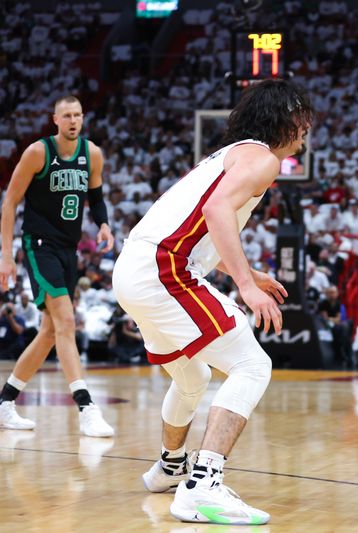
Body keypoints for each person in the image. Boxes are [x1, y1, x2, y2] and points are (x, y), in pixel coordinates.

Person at [113, 79, 313, 525]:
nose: (307, 129)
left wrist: (245, 270)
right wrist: (245, 285)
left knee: (193, 375)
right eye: (303, 118)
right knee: (253, 365)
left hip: (135, 267)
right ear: (289, 118)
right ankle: (202, 486)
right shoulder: (262, 159)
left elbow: (199, 224)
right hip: (163, 269)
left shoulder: (234, 152)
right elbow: (216, 212)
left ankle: (170, 466)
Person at [0, 95, 114, 437]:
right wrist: (6, 255)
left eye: (78, 114)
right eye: (66, 115)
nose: (73, 120)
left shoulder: (92, 153)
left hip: (69, 249)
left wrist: (104, 224)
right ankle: (87, 408)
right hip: (39, 246)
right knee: (65, 322)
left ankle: (5, 403)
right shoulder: (38, 152)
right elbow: (10, 203)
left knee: (50, 333)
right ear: (55, 120)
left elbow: (95, 196)